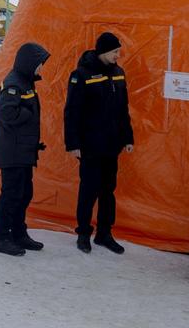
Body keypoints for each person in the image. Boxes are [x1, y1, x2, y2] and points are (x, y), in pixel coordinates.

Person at [64, 32, 134, 254]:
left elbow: (124, 110)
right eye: (114, 52)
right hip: (90, 146)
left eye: (118, 52)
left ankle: (104, 233)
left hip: (111, 146)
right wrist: (73, 143)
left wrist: (128, 137)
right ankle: (83, 233)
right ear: (103, 51)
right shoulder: (81, 75)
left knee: (108, 191)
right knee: (88, 190)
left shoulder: (119, 74)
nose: (117, 55)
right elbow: (71, 112)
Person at [0, 41, 50, 257]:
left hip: (22, 151)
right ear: (28, 63)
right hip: (12, 152)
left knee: (24, 193)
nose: (41, 68)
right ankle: (2, 237)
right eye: (39, 64)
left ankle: (18, 232)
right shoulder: (13, 84)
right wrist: (27, 113)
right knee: (11, 194)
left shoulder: (25, 82)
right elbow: (7, 114)